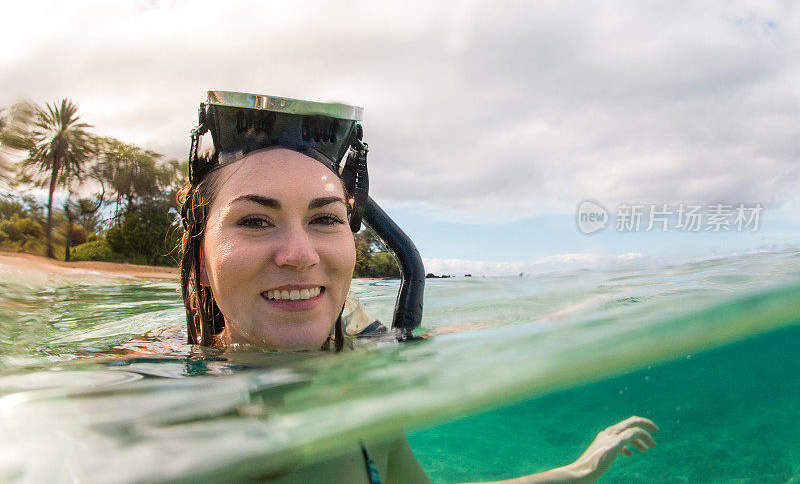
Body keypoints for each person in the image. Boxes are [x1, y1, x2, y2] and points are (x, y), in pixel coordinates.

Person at [177, 91, 658, 483]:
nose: (301, 254)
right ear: (201, 261)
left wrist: (577, 470)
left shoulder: (367, 399)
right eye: (257, 220)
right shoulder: (144, 411)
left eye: (324, 218)